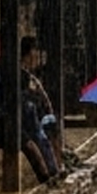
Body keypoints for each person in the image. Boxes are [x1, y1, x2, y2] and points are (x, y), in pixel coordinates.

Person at [20, 38, 72, 177]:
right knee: (45, 131)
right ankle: (54, 167)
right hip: (28, 115)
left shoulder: (30, 75)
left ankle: (58, 163)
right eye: (34, 55)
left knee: (51, 124)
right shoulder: (22, 76)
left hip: (38, 112)